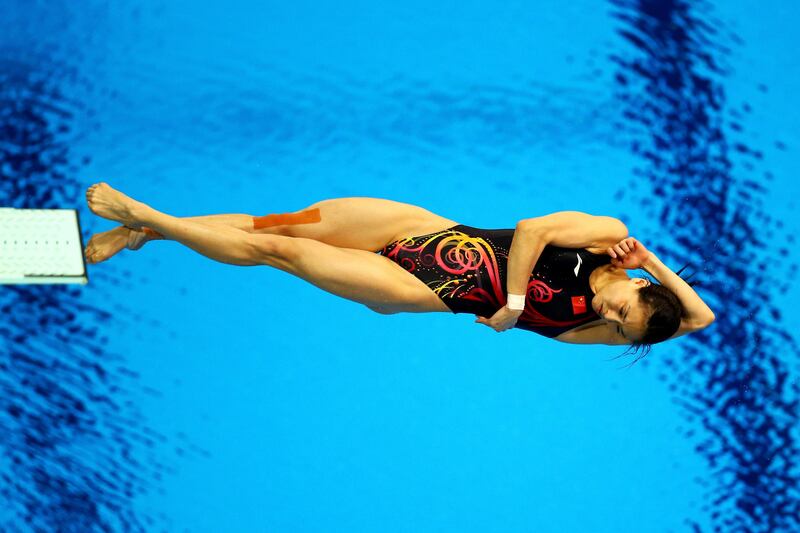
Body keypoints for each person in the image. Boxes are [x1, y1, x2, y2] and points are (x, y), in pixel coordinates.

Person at [84, 183, 715, 358]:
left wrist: (642, 289)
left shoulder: (594, 327)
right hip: (421, 229)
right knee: (274, 223)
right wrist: (649, 258)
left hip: (420, 287)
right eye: (624, 310)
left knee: (278, 254)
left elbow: (699, 319)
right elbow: (532, 231)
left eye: (621, 329)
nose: (612, 318)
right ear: (638, 286)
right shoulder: (608, 240)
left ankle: (145, 215)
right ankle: (143, 235)